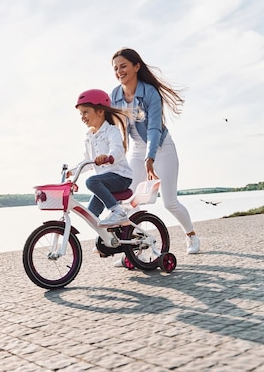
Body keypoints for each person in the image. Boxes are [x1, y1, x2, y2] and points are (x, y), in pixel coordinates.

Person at [109, 47, 200, 256]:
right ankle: (136, 250)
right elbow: (115, 127)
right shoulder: (115, 94)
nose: (119, 71)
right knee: (129, 201)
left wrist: (150, 158)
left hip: (161, 147)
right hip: (137, 150)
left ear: (136, 66)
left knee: (170, 202)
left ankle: (191, 235)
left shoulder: (149, 92)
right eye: (115, 68)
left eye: (123, 66)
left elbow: (154, 128)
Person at [70, 89, 133, 226]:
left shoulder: (111, 130)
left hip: (120, 177)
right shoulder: (89, 138)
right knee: (90, 216)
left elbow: (118, 150)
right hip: (103, 182)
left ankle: (118, 212)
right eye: (81, 114)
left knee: (91, 182)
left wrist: (109, 157)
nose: (82, 117)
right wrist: (72, 171)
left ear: (100, 111)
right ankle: (107, 243)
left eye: (85, 112)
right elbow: (87, 162)